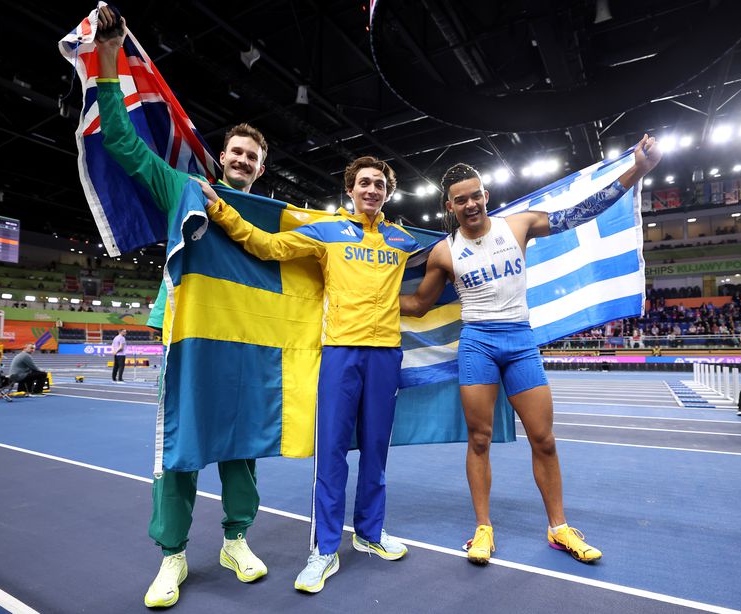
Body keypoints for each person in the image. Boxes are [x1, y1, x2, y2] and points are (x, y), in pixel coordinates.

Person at [399, 135, 661, 564]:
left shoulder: (517, 225)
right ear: (450, 206)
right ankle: (483, 528)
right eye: (460, 200)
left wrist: (637, 171)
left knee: (544, 438)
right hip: (478, 344)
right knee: (479, 439)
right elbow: (419, 304)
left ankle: (559, 528)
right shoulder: (444, 252)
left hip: (520, 342)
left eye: (475, 196)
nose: (470, 205)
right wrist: (364, 297)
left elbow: (580, 212)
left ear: (486, 195)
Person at [94, 9, 269, 608]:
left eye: (252, 156)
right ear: (223, 155)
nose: (242, 160)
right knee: (180, 444)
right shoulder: (185, 189)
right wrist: (110, 58)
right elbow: (121, 142)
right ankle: (173, 554)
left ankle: (236, 540)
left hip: (245, 341)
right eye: (236, 152)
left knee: (243, 444)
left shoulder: (270, 216)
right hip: (188, 335)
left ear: (262, 167)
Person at [201, 154, 420, 593]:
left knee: (376, 452)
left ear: (388, 193)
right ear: (350, 189)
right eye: (364, 182)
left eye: (379, 184)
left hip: (385, 356)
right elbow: (268, 245)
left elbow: (442, 262)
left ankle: (370, 534)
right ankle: (324, 550)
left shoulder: (404, 240)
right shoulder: (326, 231)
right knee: (332, 452)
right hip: (339, 353)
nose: (372, 189)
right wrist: (219, 208)